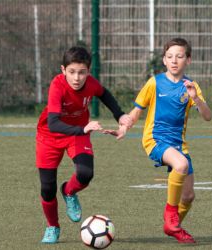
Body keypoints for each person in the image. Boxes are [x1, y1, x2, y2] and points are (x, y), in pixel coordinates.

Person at [112, 38, 212, 243]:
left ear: (188, 60)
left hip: (178, 144)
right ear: (164, 60)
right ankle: (170, 217)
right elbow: (137, 111)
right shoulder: (154, 83)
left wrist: (196, 98)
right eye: (169, 56)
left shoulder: (191, 86)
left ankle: (173, 227)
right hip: (155, 139)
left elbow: (208, 116)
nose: (174, 60)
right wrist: (124, 126)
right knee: (181, 164)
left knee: (188, 196)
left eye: (179, 56)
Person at [36, 46, 132, 244]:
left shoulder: (90, 83)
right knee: (47, 188)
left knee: (85, 174)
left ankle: (69, 191)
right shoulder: (57, 85)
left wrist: (119, 115)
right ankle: (52, 227)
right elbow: (53, 123)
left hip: (78, 133)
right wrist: (83, 129)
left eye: (81, 72)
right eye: (71, 72)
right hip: (49, 136)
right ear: (63, 70)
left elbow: (104, 94)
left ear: (88, 71)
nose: (77, 78)